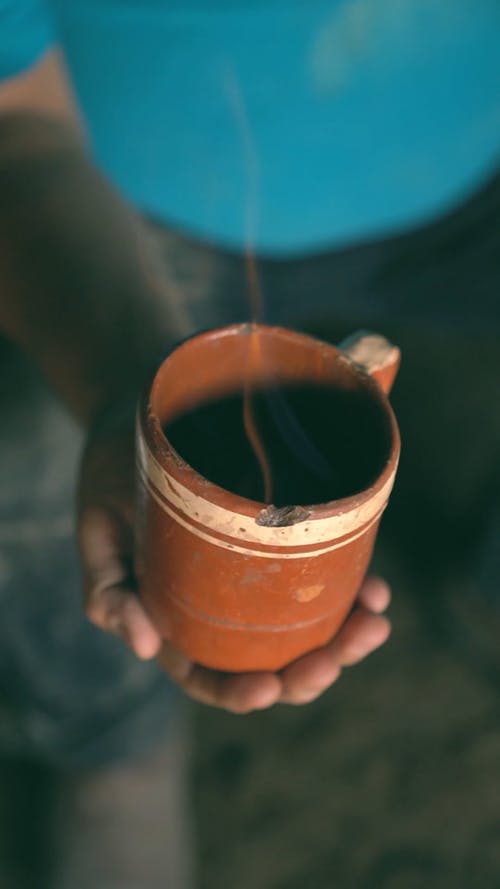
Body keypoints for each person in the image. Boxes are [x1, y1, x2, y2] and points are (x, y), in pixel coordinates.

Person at [0, 1, 498, 887]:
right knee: (25, 441)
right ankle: (114, 749)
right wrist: (120, 389)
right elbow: (15, 126)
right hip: (121, 198)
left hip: (476, 171)